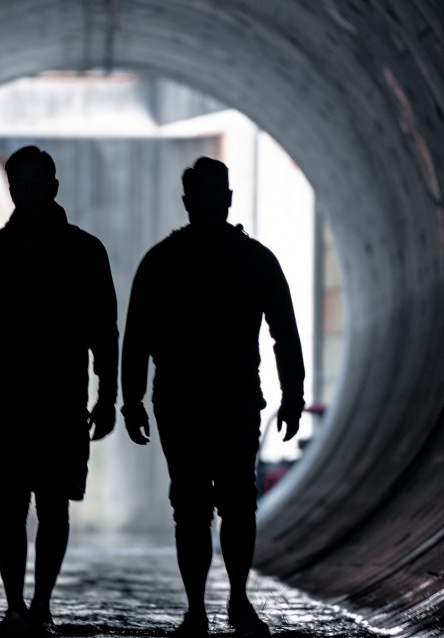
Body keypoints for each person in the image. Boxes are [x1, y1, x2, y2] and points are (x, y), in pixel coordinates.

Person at [120, 157, 305, 638]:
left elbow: (136, 336)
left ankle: (202, 609)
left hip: (188, 402)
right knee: (232, 503)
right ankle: (232, 603)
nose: (207, 203)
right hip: (231, 400)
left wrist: (133, 399)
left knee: (195, 507)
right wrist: (292, 394)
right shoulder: (255, 260)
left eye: (208, 195)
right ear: (225, 198)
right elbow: (284, 333)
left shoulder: (162, 261)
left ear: (213, 200)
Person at [0, 146, 118, 637]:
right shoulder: (14, 254)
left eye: (36, 184)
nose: (30, 193)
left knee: (48, 504)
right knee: (19, 504)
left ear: (53, 188)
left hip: (52, 399)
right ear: (14, 190)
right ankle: (22, 603)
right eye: (23, 185)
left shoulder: (18, 253)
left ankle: (34, 603)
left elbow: (104, 329)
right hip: (22, 398)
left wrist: (108, 395)